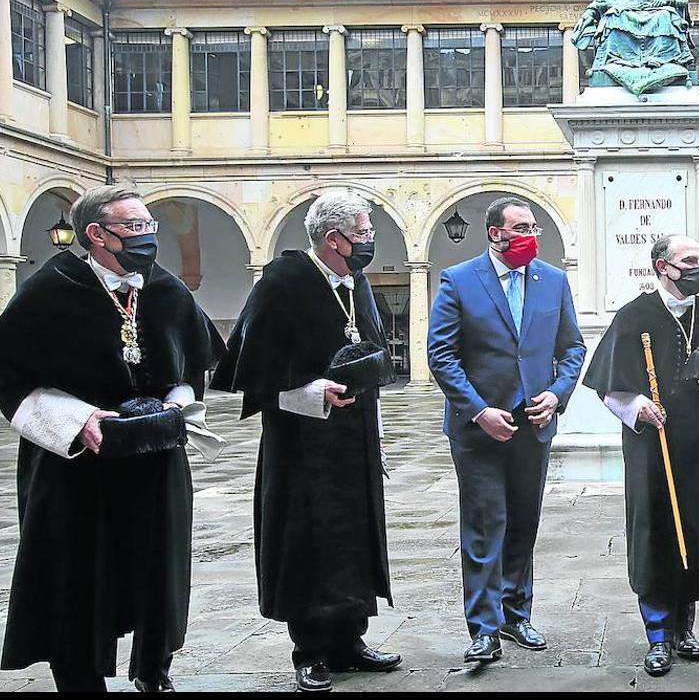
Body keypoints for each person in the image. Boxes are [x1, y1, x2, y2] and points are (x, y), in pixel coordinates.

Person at [0, 186, 224, 692]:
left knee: (157, 566)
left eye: (150, 227)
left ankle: (154, 668)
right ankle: (79, 678)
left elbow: (194, 360)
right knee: (76, 571)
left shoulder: (165, 288)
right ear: (97, 235)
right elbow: (12, 378)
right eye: (136, 228)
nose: (148, 238)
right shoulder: (50, 291)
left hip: (154, 456)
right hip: (77, 464)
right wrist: (78, 420)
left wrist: (175, 401)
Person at [212, 190, 400, 692]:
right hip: (302, 444)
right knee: (308, 541)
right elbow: (255, 370)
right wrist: (315, 390)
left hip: (353, 438)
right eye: (362, 234)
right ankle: (310, 649)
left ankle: (349, 639)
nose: (368, 242)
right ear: (333, 239)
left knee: (352, 537)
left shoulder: (354, 282)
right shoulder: (283, 282)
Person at [427, 197, 586, 664]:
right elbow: (442, 355)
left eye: (533, 227)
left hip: (534, 422)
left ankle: (517, 613)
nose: (529, 236)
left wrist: (556, 394)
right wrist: (478, 411)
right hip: (478, 428)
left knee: (523, 521)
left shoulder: (552, 281)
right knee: (484, 523)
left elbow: (572, 347)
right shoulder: (459, 280)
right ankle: (482, 627)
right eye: (520, 228)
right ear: (494, 233)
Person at [583, 235, 699, 677]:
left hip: (697, 440)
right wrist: (636, 406)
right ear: (662, 266)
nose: (698, 268)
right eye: (689, 261)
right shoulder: (636, 316)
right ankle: (656, 633)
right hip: (651, 442)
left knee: (692, 524)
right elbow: (607, 384)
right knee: (653, 526)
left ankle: (684, 626)